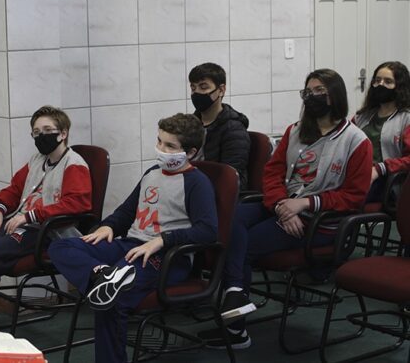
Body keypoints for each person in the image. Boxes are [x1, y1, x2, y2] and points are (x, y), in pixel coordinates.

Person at [199, 69, 372, 349]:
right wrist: (281, 204)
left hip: (319, 221)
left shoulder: (357, 141)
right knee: (231, 218)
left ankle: (235, 329)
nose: (312, 97)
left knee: (243, 244)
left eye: (320, 91)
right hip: (282, 206)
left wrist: (304, 203)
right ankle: (235, 293)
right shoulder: (295, 130)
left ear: (336, 96)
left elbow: (354, 196)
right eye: (308, 91)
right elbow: (272, 173)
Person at [49, 113, 219, 363]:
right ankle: (102, 274)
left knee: (109, 300)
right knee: (62, 246)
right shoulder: (152, 173)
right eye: (159, 141)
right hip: (131, 245)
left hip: (166, 257)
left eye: (170, 146)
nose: (161, 149)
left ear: (190, 152)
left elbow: (208, 231)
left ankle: (109, 283)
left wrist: (162, 240)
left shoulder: (197, 183)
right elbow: (127, 212)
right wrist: (107, 227)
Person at [0, 105, 92, 330]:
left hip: (45, 232)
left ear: (63, 133)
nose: (41, 136)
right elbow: (14, 190)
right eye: (36, 132)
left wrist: (31, 215)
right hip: (16, 223)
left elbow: (77, 204)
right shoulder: (37, 160)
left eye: (47, 130)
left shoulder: (74, 164)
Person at [353, 61, 410, 202]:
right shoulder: (362, 116)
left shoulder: (406, 119)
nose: (380, 85)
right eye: (377, 80)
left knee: (347, 199)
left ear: (400, 87)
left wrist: (381, 168)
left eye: (388, 82)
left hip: (386, 182)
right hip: (357, 176)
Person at [189, 62, 251, 190]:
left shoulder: (234, 129)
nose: (197, 93)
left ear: (221, 90)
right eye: (193, 88)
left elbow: (231, 178)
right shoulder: (190, 124)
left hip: (215, 192)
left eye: (203, 87)